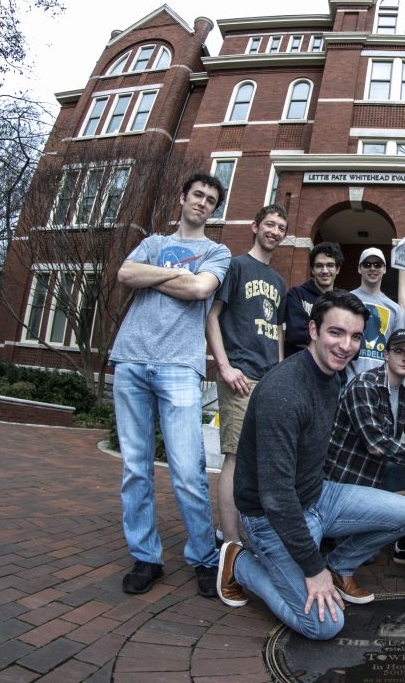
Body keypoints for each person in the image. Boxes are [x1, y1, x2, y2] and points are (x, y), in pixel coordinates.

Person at [215, 291, 405, 639]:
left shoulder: (332, 374)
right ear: (313, 329)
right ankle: (239, 563)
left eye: (356, 336)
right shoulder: (283, 392)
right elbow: (276, 497)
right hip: (271, 518)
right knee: (323, 625)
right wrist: (313, 569)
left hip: (318, 496)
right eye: (336, 333)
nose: (346, 345)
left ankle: (339, 567)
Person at [110, 172, 231, 598]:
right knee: (135, 467)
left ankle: (203, 556)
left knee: (186, 470)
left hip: (180, 366)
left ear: (214, 210)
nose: (202, 202)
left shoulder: (217, 251)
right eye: (197, 195)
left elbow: (201, 289)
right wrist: (170, 275)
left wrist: (156, 275)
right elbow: (125, 273)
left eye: (210, 200)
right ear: (182, 198)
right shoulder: (152, 243)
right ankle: (146, 557)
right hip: (131, 360)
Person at [325, 327, 405, 590]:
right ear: (386, 354)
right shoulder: (364, 385)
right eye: (399, 351)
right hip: (348, 480)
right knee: (366, 555)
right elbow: (376, 444)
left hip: (379, 473)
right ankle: (345, 546)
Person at [206, 204, 288, 546]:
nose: (275, 231)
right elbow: (212, 316)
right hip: (239, 376)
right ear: (255, 226)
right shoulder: (236, 266)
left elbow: (278, 332)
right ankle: (229, 539)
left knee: (256, 460)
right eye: (269, 224)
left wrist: (281, 375)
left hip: (268, 381)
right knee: (236, 457)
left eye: (281, 227)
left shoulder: (280, 281)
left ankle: (246, 533)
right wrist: (224, 366)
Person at [349, 247, 404, 379]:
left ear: (384, 269)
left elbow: (398, 348)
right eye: (367, 264)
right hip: (348, 381)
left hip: (381, 383)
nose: (372, 268)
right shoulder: (347, 299)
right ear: (359, 268)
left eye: (378, 264)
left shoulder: (394, 308)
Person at [282, 241, 344, 357]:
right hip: (299, 365)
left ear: (338, 269)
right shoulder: (296, 295)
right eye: (319, 266)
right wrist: (336, 336)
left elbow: (351, 340)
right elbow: (295, 333)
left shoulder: (343, 300)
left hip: (332, 370)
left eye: (330, 265)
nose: (324, 271)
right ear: (312, 270)